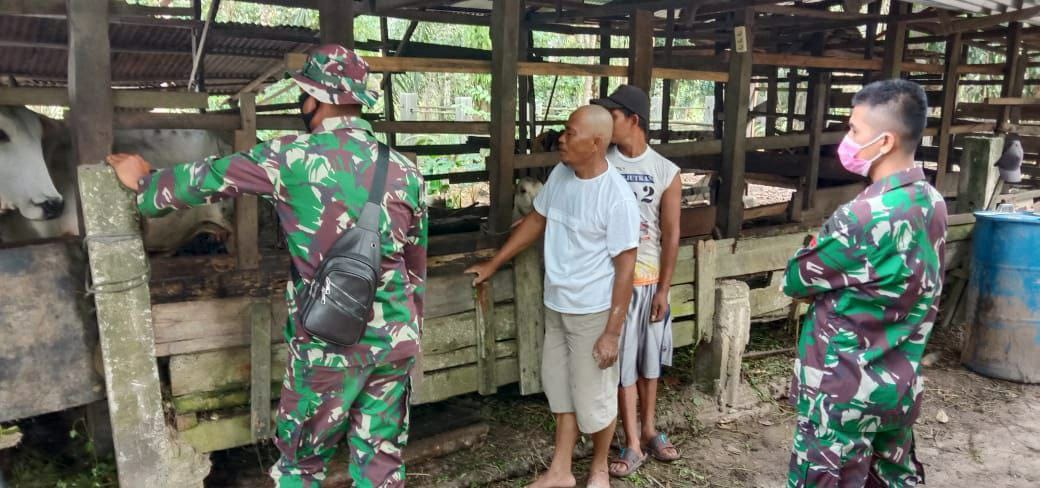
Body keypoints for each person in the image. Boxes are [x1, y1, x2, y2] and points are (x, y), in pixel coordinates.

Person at [106, 45, 427, 488]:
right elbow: (415, 269)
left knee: (302, 466)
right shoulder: (407, 171)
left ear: (312, 98)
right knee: (380, 465)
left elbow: (199, 182)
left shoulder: (289, 157)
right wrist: (407, 332)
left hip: (326, 346)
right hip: (396, 341)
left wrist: (143, 182)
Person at [782, 79, 946, 487]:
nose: (847, 139)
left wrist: (816, 243)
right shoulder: (932, 203)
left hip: (844, 396)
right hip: (897, 387)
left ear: (885, 140)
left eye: (855, 130)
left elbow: (796, 279)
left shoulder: (862, 216)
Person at [466, 105, 641, 488]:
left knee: (595, 398)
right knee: (561, 390)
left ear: (596, 143)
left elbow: (627, 268)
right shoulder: (562, 176)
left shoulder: (617, 198)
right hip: (557, 305)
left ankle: (598, 469)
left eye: (571, 132)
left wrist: (612, 331)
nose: (561, 138)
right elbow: (536, 220)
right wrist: (494, 264)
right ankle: (560, 471)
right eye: (564, 130)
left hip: (593, 312)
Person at [590, 85, 682, 477]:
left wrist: (663, 288)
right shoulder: (602, 164)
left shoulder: (666, 170)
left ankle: (649, 429)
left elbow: (672, 232)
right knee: (623, 368)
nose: (606, 122)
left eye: (612, 115)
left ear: (633, 120)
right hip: (615, 284)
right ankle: (630, 443)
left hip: (649, 281)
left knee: (649, 365)